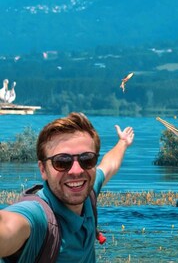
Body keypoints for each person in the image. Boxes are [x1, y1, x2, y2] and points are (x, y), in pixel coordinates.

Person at [0, 112, 135, 262]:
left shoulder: (88, 194)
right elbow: (7, 227)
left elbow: (109, 165)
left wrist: (123, 142)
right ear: (43, 169)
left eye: (87, 159)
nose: (77, 171)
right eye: (62, 162)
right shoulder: (38, 217)